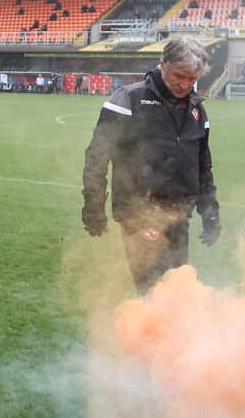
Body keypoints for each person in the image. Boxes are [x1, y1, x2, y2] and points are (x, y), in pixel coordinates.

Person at [80, 36, 221, 294]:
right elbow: (97, 156)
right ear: (162, 64)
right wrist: (94, 205)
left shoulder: (197, 111)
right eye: (179, 76)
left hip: (179, 213)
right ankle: (145, 332)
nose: (185, 85)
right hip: (140, 211)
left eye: (192, 79)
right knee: (154, 289)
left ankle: (168, 334)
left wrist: (210, 213)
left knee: (179, 287)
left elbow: (203, 166)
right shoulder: (128, 100)